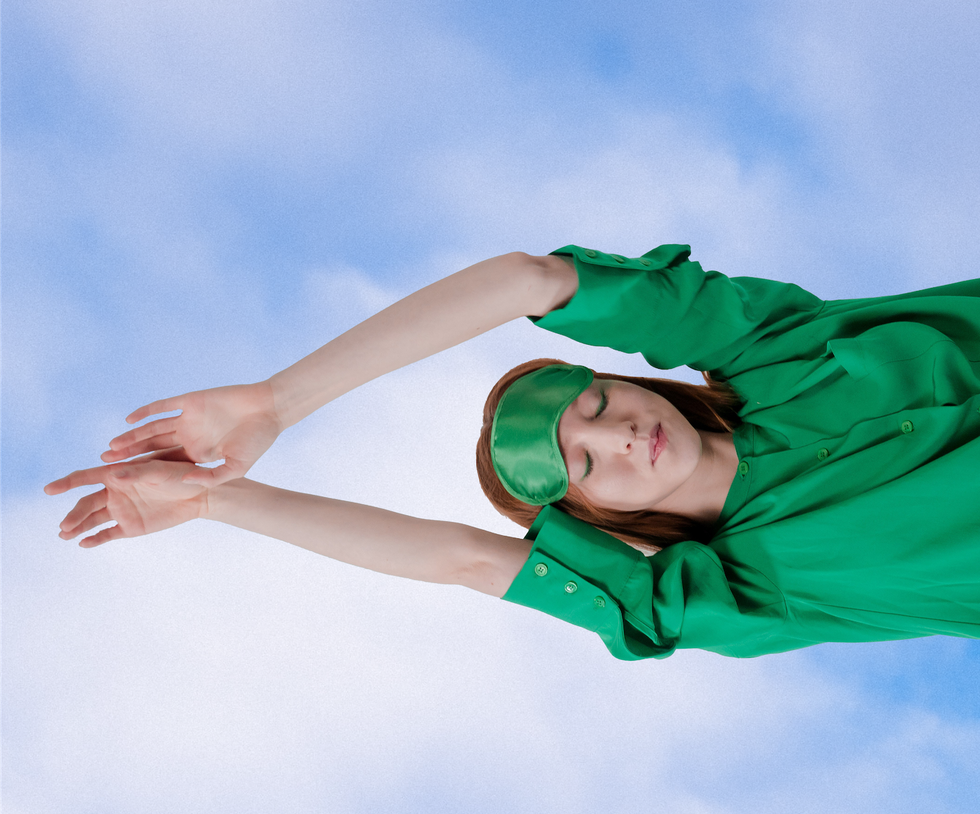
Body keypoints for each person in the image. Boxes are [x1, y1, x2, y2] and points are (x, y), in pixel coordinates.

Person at [46, 243, 980, 659]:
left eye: (599, 401)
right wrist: (219, 502)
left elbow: (530, 279)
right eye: (583, 463)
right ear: (592, 519)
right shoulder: (738, 591)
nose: (617, 433)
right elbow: (462, 558)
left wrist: (275, 401)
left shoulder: (780, 352)